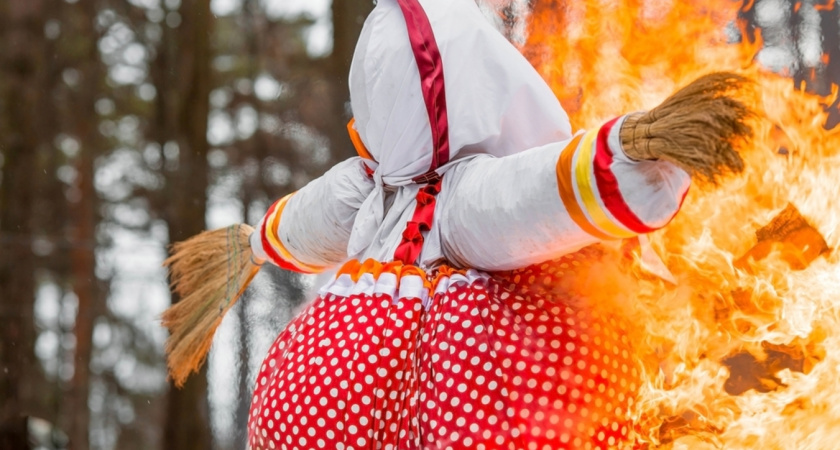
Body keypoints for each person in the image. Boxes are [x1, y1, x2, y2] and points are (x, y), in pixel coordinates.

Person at [161, 0, 753, 448]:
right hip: (467, 388)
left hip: (324, 388)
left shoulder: (374, 190)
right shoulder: (440, 194)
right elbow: (536, 193)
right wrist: (628, 157)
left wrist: (253, 246)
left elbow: (304, 222)